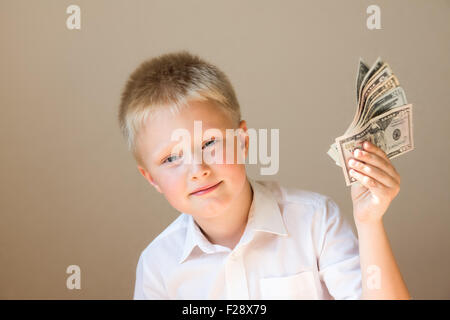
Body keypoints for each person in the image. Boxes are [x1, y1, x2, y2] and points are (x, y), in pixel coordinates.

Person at [117, 50, 411, 299]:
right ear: (151, 178)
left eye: (209, 143)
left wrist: (369, 222)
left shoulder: (316, 221)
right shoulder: (158, 266)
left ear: (243, 141)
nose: (198, 170)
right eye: (171, 158)